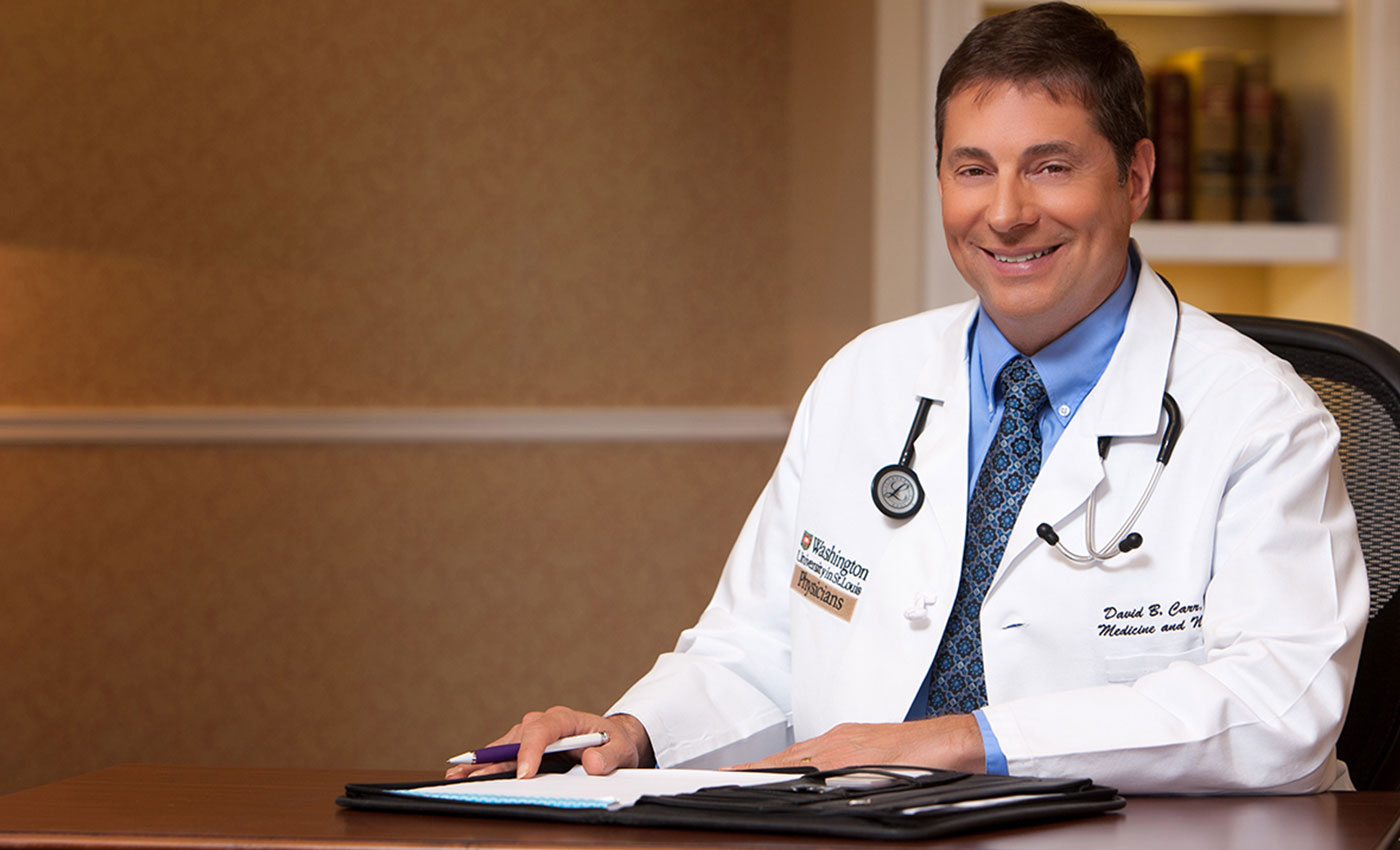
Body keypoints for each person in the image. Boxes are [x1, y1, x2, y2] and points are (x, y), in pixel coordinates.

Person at [450, 1, 1367, 794]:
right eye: (973, 169)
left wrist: (965, 742)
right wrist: (635, 732)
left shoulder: (1261, 415)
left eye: (1050, 166)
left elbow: (1278, 705)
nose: (1005, 213)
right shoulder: (865, 379)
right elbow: (758, 649)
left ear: (1135, 178)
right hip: (867, 829)